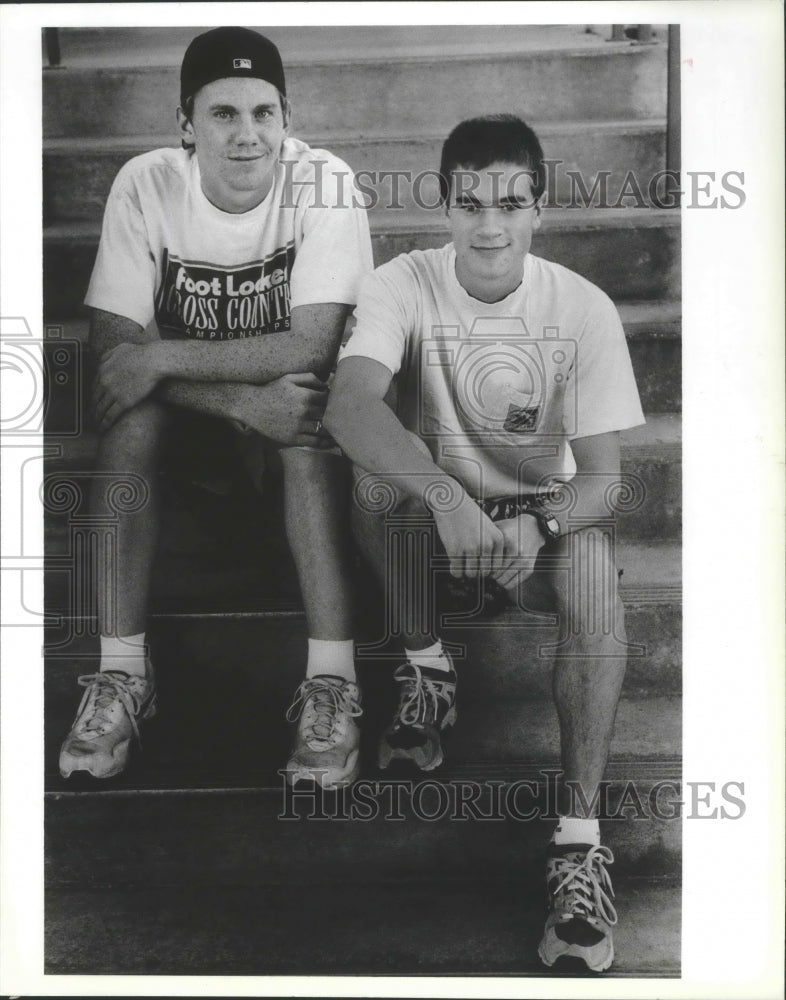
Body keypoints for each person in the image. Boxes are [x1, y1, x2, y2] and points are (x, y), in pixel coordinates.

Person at [324, 114, 645, 972]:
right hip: (443, 514)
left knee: (594, 584)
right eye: (471, 204)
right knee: (371, 479)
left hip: (541, 516)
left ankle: (578, 846)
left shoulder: (582, 307)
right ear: (445, 206)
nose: (491, 226)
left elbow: (605, 483)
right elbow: (349, 408)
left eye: (511, 204)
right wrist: (448, 500)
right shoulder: (403, 282)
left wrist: (534, 523)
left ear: (540, 209)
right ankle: (428, 670)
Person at [58, 27, 373, 789]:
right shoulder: (147, 182)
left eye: (265, 113)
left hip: (288, 415)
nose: (247, 134)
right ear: (185, 125)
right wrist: (238, 404)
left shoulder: (325, 181)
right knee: (128, 426)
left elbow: (311, 343)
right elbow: (112, 349)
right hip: (203, 420)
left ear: (287, 120)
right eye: (224, 114)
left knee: (301, 421)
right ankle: (123, 673)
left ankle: (334, 684)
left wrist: (163, 358)